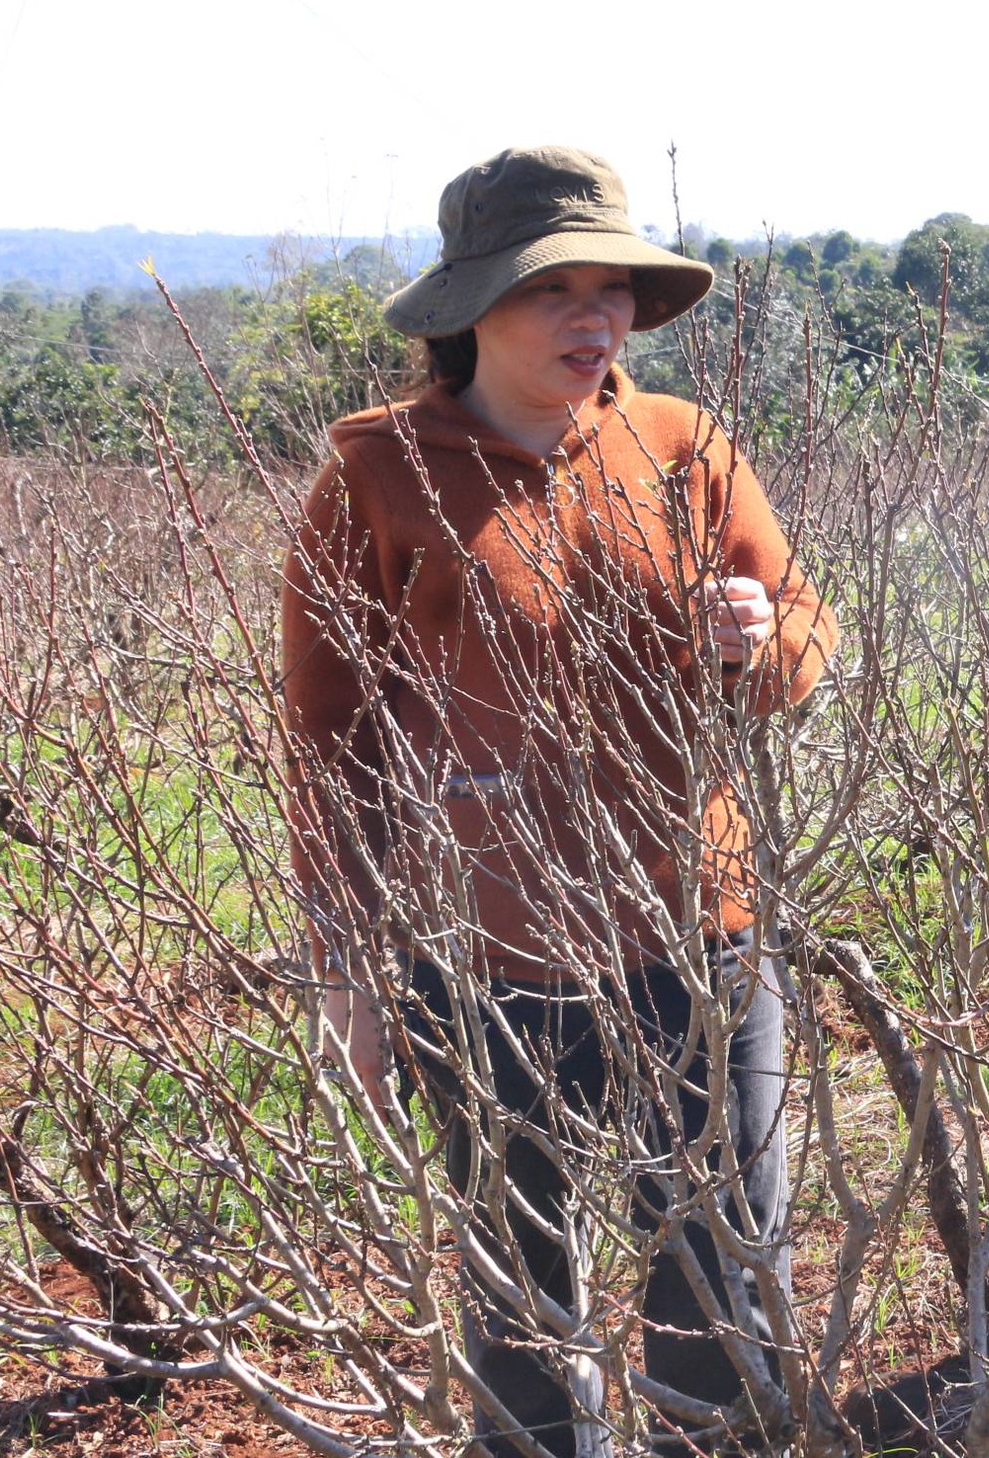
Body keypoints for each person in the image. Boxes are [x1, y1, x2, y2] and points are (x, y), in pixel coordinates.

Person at [280, 146, 836, 1457]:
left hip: (696, 940)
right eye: (557, 291)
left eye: (615, 291)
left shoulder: (684, 447)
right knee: (524, 1316)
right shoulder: (378, 472)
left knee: (722, 1297)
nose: (597, 320)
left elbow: (807, 632)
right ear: (474, 303)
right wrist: (353, 971)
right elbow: (327, 740)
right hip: (484, 960)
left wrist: (768, 642)